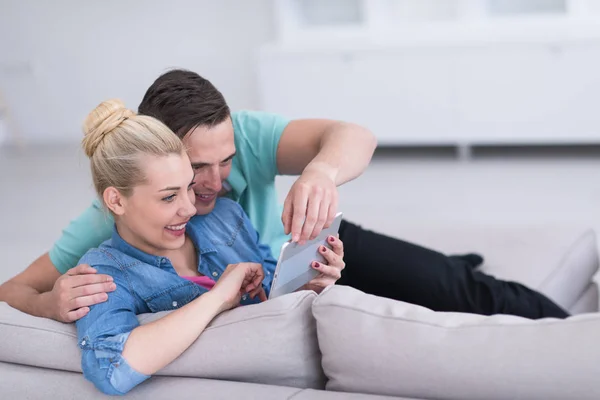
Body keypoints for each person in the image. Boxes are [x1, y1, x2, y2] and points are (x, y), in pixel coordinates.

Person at [0, 69, 568, 320]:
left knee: (455, 285)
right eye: (197, 169)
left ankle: (573, 335)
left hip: (315, 251)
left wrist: (319, 173)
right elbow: (13, 290)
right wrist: (48, 305)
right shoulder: (115, 212)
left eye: (227, 161)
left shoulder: (242, 134)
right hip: (274, 294)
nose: (219, 181)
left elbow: (355, 136)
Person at [73, 99, 345, 395]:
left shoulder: (226, 217)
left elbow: (272, 300)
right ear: (116, 201)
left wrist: (311, 285)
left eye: (188, 186)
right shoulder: (104, 273)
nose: (189, 208)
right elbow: (110, 369)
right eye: (168, 197)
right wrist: (218, 297)